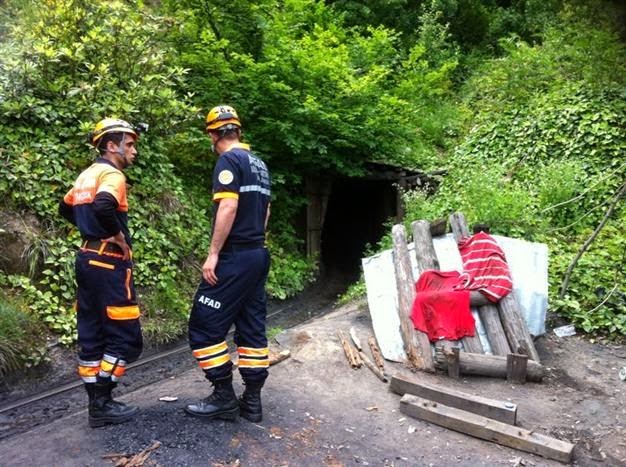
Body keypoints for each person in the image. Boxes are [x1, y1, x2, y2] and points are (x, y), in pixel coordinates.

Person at [186, 105, 271, 423]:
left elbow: (228, 207)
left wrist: (213, 254)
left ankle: (223, 396)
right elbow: (265, 212)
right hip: (257, 254)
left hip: (235, 256)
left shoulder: (228, 160)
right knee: (251, 327)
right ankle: (252, 401)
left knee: (204, 326)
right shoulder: (259, 164)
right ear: (238, 130)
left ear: (212, 134)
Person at [59, 118, 146, 428]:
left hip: (86, 259)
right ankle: (103, 400)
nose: (134, 150)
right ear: (112, 146)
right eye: (130, 144)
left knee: (92, 334)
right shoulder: (112, 174)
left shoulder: (87, 175)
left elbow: (65, 207)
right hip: (109, 264)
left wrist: (90, 232)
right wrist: (117, 237)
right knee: (126, 338)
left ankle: (96, 405)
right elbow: (105, 204)